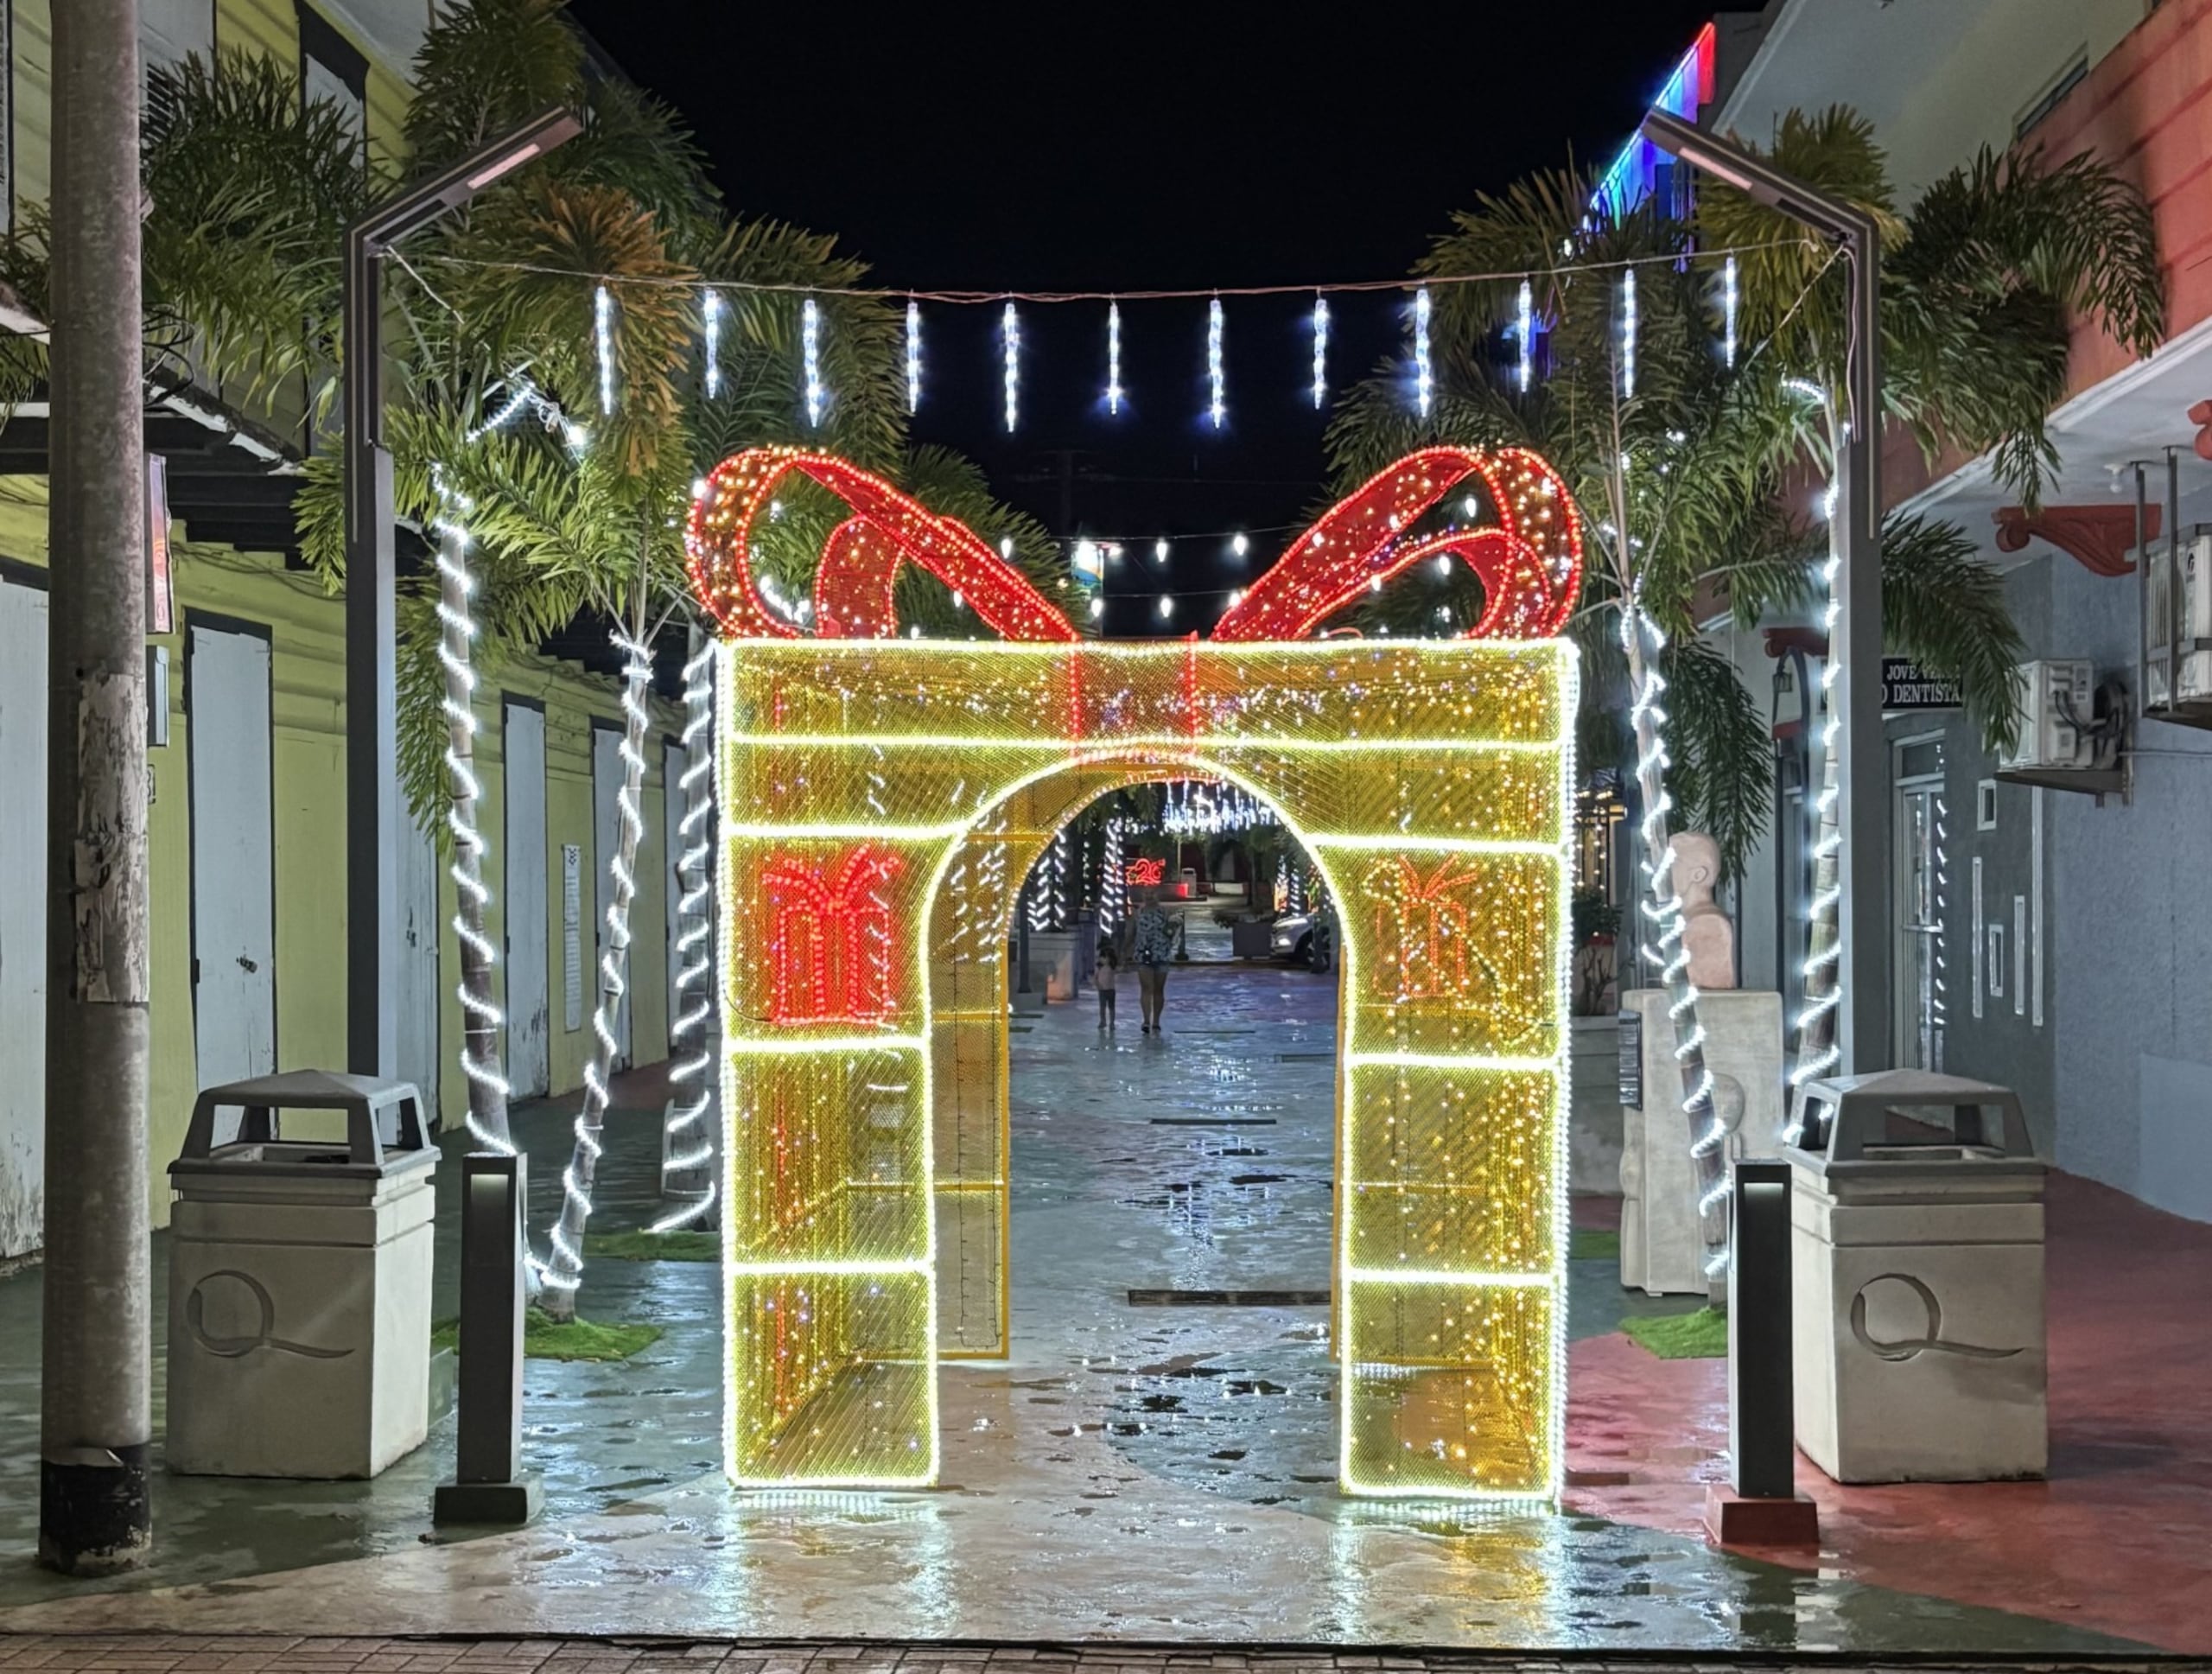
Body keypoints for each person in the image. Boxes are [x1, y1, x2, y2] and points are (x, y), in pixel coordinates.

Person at [1131, 890, 1175, 1034]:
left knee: (1158, 989)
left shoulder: (1166, 912)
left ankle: (1156, 1021)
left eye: (1152, 893)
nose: (1149, 896)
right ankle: (1146, 1020)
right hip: (1143, 955)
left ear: (1158, 894)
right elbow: (1132, 932)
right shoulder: (1138, 913)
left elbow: (1172, 932)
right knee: (1146, 988)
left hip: (1161, 955)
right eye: (1146, 893)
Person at [1094, 943, 1119, 1030]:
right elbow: (1095, 978)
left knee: (1111, 1007)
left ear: (1109, 958)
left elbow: (1120, 970)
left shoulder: (1112, 967)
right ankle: (1103, 1021)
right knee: (1102, 1007)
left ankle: (1112, 1022)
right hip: (1102, 990)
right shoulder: (1099, 968)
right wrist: (1098, 985)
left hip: (1111, 990)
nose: (1101, 959)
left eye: (1104, 957)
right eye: (1101, 957)